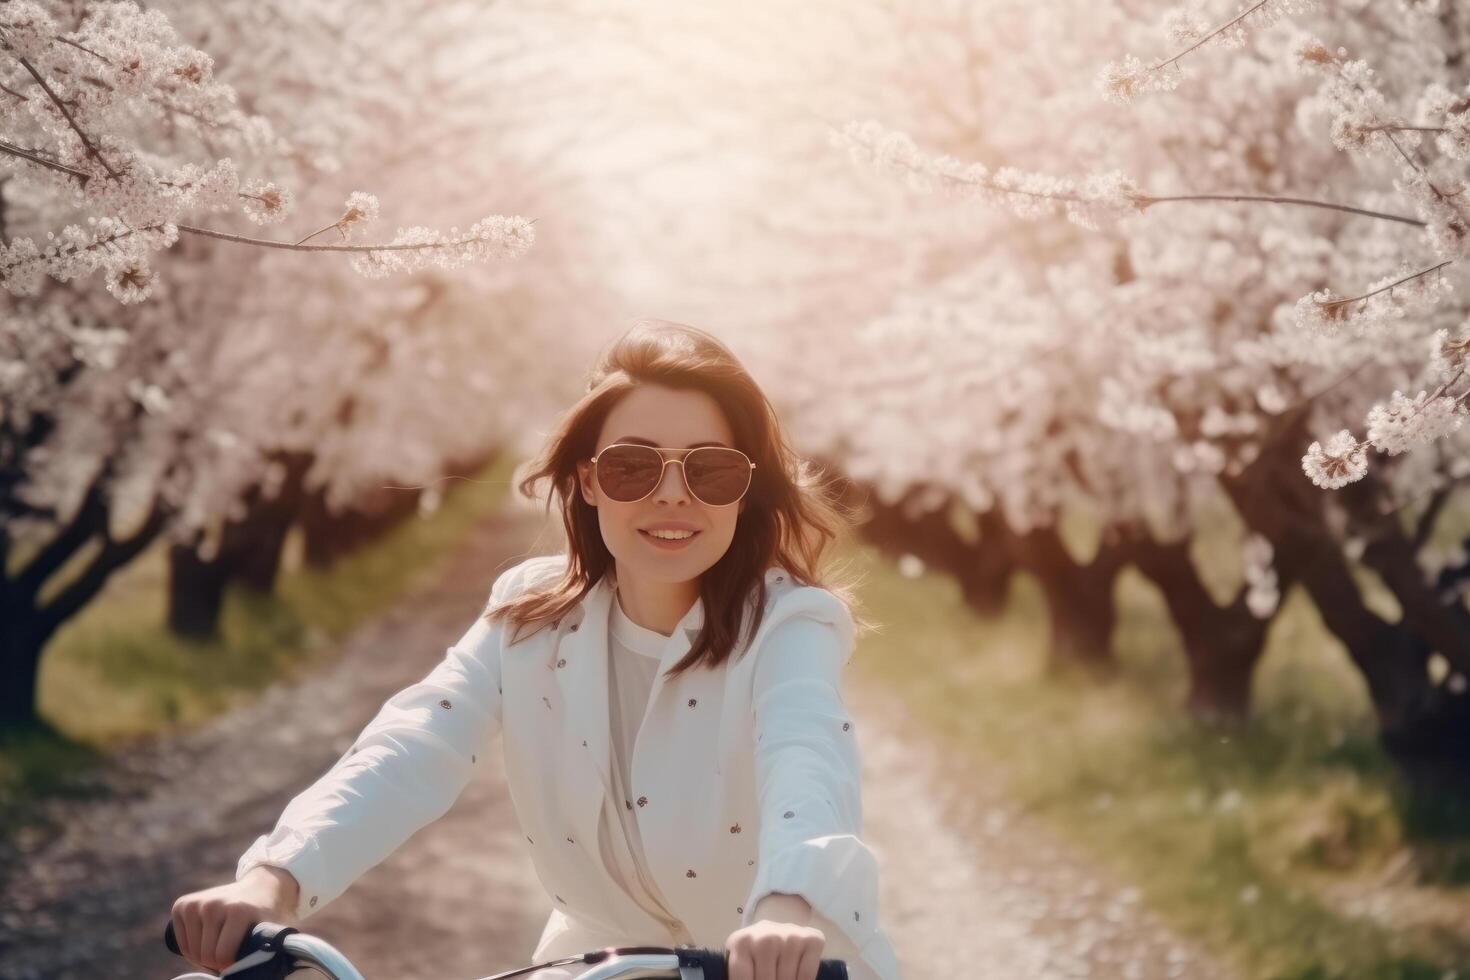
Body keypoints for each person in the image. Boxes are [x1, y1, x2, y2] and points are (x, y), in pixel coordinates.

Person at [169, 319, 903, 980]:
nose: (673, 495)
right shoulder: (527, 613)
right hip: (599, 970)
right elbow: (415, 743)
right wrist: (273, 880)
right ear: (587, 481)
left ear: (744, 491)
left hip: (784, 969)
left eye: (709, 470)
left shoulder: (789, 623)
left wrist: (784, 906)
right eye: (632, 468)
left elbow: (806, 758)